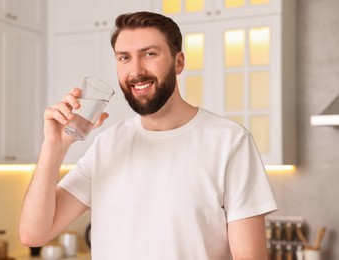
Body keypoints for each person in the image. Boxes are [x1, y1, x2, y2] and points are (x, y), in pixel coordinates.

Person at [19, 11, 277, 259]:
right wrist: (53, 146)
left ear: (179, 62)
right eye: (124, 58)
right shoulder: (107, 145)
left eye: (149, 54)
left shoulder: (229, 142)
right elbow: (34, 234)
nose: (136, 70)